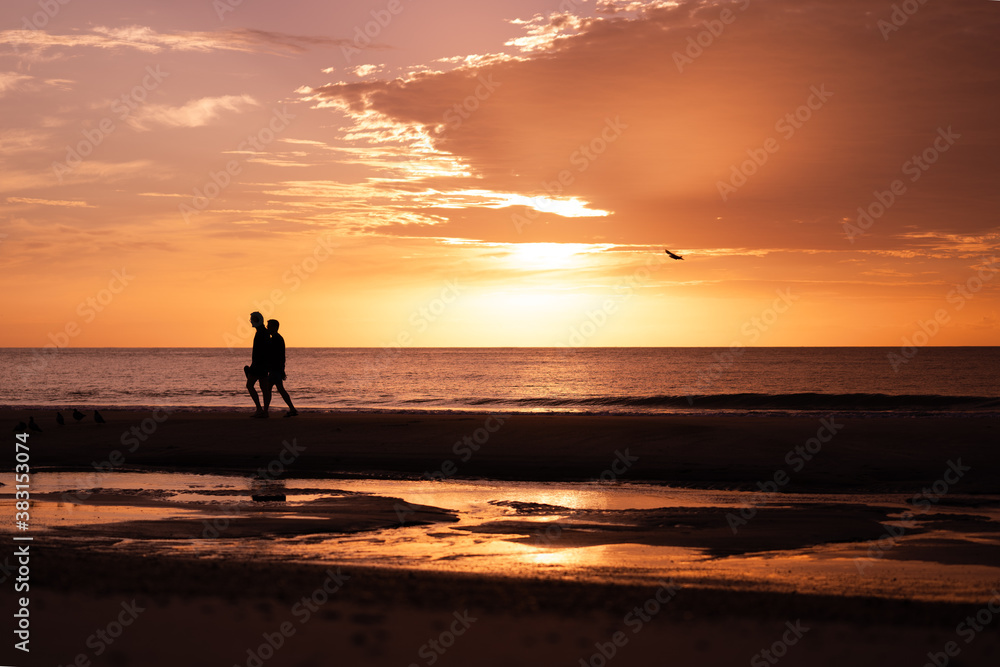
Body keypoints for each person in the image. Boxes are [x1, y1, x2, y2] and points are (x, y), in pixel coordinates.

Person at [265, 319, 298, 418]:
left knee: (272, 389)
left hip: (275, 369)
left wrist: (279, 369)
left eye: (269, 326)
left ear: (275, 327)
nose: (267, 328)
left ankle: (266, 411)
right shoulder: (277, 338)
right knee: (274, 389)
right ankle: (291, 409)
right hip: (276, 368)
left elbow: (276, 355)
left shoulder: (276, 339)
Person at [244, 311, 271, 418]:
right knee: (264, 388)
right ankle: (265, 411)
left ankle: (260, 409)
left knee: (250, 385)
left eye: (253, 319)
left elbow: (261, 351)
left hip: (259, 365)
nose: (251, 321)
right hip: (262, 365)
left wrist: (255, 365)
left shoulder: (261, 333)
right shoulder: (263, 332)